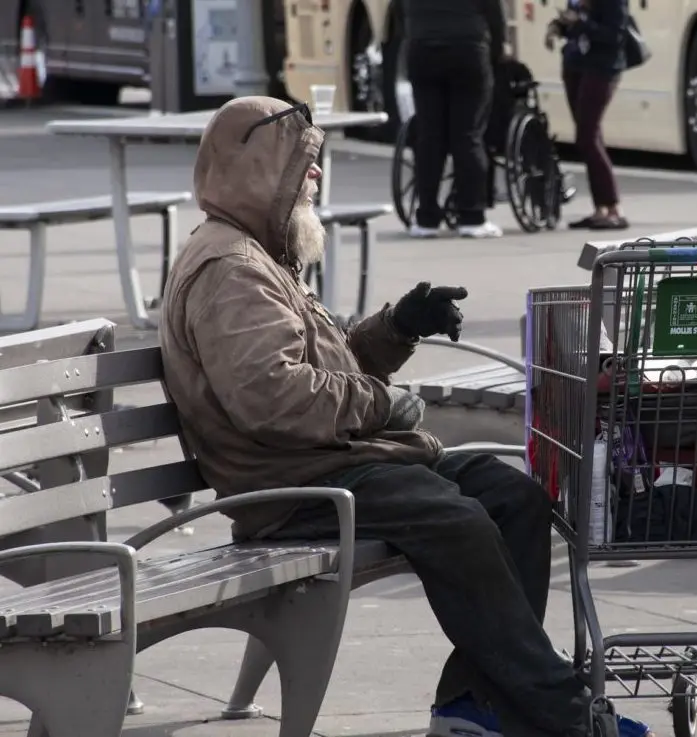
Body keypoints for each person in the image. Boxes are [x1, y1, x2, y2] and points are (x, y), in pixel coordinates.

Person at [158, 96, 654, 737]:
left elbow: (319, 366)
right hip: (290, 485)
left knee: (514, 499)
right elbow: (273, 399)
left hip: (331, 460)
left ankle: (474, 703)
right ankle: (566, 716)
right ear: (258, 172)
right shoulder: (232, 270)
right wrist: (382, 403)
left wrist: (396, 328)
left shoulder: (257, 254)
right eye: (303, 165)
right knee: (457, 521)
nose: (315, 176)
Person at [401, 0, 504, 239]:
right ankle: (472, 217)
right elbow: (495, 13)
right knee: (468, 135)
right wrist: (495, 53)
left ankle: (427, 219)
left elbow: (399, 11)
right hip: (467, 49)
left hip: (422, 50)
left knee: (429, 137)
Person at [547, 0, 629, 231]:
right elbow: (574, 23)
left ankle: (613, 207)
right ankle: (600, 208)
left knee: (587, 136)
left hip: (602, 67)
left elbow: (615, 35)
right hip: (576, 64)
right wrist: (558, 27)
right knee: (590, 136)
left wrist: (580, 23)